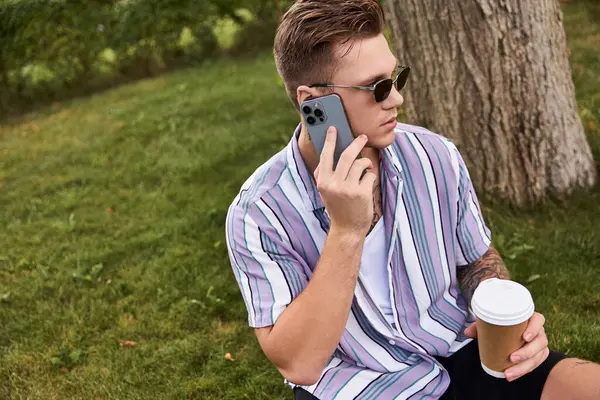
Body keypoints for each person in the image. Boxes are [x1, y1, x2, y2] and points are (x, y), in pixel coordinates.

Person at [224, 0, 600, 398]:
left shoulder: (434, 155)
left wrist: (502, 310)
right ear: (313, 102)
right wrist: (347, 231)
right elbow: (299, 363)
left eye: (395, 78)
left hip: (459, 349)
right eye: (377, 88)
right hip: (360, 384)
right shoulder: (259, 213)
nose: (396, 99)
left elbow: (477, 259)